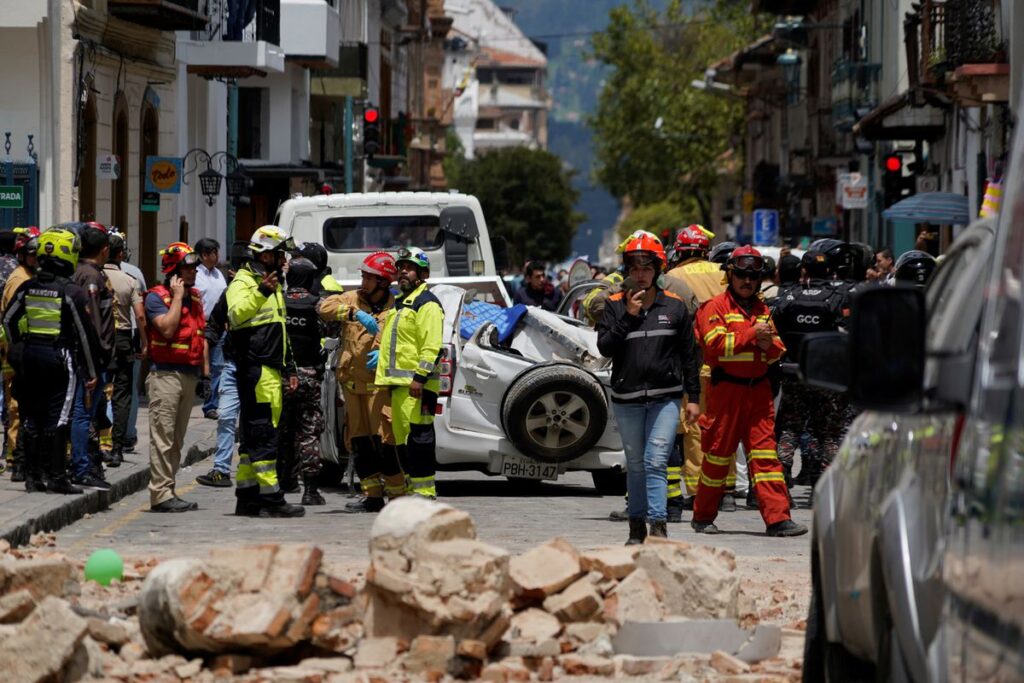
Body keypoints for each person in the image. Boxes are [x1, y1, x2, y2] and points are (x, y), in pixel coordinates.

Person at [692, 245, 807, 537]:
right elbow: (715, 347)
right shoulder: (714, 307)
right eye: (741, 275)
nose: (747, 281)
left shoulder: (762, 310)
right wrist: (753, 335)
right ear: (730, 275)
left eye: (753, 277)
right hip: (726, 392)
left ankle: (778, 519)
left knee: (766, 457)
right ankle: (703, 516)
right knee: (718, 456)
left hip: (758, 393)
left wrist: (769, 346)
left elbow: (777, 351)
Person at [597, 231, 701, 545]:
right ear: (627, 270)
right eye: (634, 267)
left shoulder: (676, 307)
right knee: (637, 464)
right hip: (626, 398)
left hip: (665, 397)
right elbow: (605, 347)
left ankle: (658, 528)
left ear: (658, 270)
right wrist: (628, 317)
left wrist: (693, 398)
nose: (640, 274)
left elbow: (689, 354)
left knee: (657, 460)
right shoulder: (614, 304)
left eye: (646, 267)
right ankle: (635, 527)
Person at [3, 228, 101, 494]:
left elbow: (9, 320)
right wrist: (92, 371)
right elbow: (85, 335)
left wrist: (20, 343)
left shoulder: (28, 286)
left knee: (32, 417)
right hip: (60, 358)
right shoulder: (71, 292)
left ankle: (33, 477)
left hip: (31, 356)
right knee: (59, 418)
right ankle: (57, 477)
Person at [226, 225, 304, 518]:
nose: (285, 260)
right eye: (281, 254)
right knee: (263, 436)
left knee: (253, 439)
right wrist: (260, 291)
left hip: (271, 368)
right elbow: (235, 315)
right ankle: (272, 500)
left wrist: (289, 368)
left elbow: (279, 331)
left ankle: (247, 497)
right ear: (267, 255)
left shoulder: (273, 283)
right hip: (256, 369)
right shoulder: (245, 282)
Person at [319, 252, 404, 513]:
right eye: (363, 276)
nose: (364, 282)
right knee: (360, 444)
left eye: (370, 278)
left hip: (381, 388)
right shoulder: (352, 299)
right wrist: (353, 314)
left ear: (384, 282)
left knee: (386, 445)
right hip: (353, 387)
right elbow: (324, 308)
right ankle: (373, 496)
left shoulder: (398, 308)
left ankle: (398, 498)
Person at [662, 225, 736, 519]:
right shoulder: (724, 272)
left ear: (680, 251)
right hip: (726, 359)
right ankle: (727, 490)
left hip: (691, 362)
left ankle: (698, 491)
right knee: (724, 426)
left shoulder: (673, 278)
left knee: (694, 429)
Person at [771, 250, 846, 489]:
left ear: (803, 271)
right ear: (829, 271)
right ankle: (823, 488)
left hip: (794, 374)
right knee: (829, 434)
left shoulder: (788, 298)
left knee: (789, 429)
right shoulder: (838, 298)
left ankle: (781, 482)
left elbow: (774, 334)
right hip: (827, 378)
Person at [145, 243, 209, 512]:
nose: (194, 272)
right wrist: (178, 297)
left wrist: (206, 376)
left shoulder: (195, 298)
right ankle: (160, 494)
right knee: (163, 437)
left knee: (177, 440)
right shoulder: (156, 297)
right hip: (165, 376)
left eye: (195, 268)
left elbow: (201, 337)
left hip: (189, 375)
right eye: (188, 267)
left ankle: (168, 489)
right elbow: (168, 330)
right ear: (174, 270)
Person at [375, 247, 444, 499]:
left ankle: (425, 493)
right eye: (400, 267)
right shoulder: (401, 304)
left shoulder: (427, 304)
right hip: (399, 386)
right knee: (405, 442)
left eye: (410, 267)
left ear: (423, 274)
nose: (403, 271)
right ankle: (411, 490)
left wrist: (419, 378)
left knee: (420, 440)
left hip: (417, 387)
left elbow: (432, 346)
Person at [277, 257, 328, 505]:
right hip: (309, 376)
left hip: (281, 377)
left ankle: (285, 481)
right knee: (309, 432)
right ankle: (310, 491)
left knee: (283, 430)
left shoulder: (278, 301)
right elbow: (332, 330)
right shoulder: (317, 304)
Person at [70, 222, 114, 491]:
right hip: (92, 358)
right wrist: (98, 358)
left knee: (83, 413)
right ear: (104, 249)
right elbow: (94, 322)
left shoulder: (81, 272)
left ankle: (83, 463)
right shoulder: (92, 278)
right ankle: (81, 467)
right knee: (82, 413)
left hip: (87, 356)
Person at [104, 230, 147, 468]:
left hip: (97, 339)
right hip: (122, 338)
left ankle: (98, 443)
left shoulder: (93, 276)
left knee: (97, 390)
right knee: (122, 393)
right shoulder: (130, 279)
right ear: (120, 254)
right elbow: (140, 316)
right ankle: (117, 447)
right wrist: (144, 342)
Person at [1, 227, 39, 480]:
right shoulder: (19, 279)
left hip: (19, 348)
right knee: (16, 403)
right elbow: (16, 318)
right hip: (15, 350)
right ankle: (14, 454)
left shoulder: (26, 275)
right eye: (32, 254)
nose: (38, 258)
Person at [195, 286, 238, 489]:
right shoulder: (232, 291)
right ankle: (221, 470)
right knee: (226, 417)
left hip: (260, 369)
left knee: (256, 423)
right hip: (233, 366)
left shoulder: (273, 292)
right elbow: (214, 326)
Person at [118, 241, 146, 452]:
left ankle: (106, 437)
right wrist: (145, 341)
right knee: (129, 390)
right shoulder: (133, 273)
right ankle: (127, 434)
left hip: (104, 337)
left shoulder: (92, 273)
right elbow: (140, 311)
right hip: (131, 335)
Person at [194, 238, 227, 419]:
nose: (218, 256)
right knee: (201, 367)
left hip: (219, 325)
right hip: (202, 325)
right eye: (215, 252)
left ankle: (211, 405)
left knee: (218, 366)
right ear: (205, 255)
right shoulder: (196, 274)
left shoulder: (218, 274)